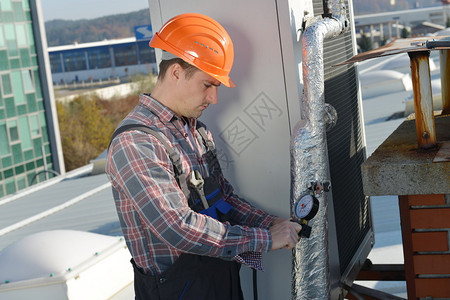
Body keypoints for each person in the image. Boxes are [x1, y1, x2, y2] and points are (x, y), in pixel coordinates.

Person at [105, 13, 302, 300]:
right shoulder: (136, 142)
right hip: (177, 291)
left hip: (219, 280)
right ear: (175, 72)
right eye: (208, 85)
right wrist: (266, 239)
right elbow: (177, 227)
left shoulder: (195, 133)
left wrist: (271, 223)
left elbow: (224, 201)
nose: (214, 98)